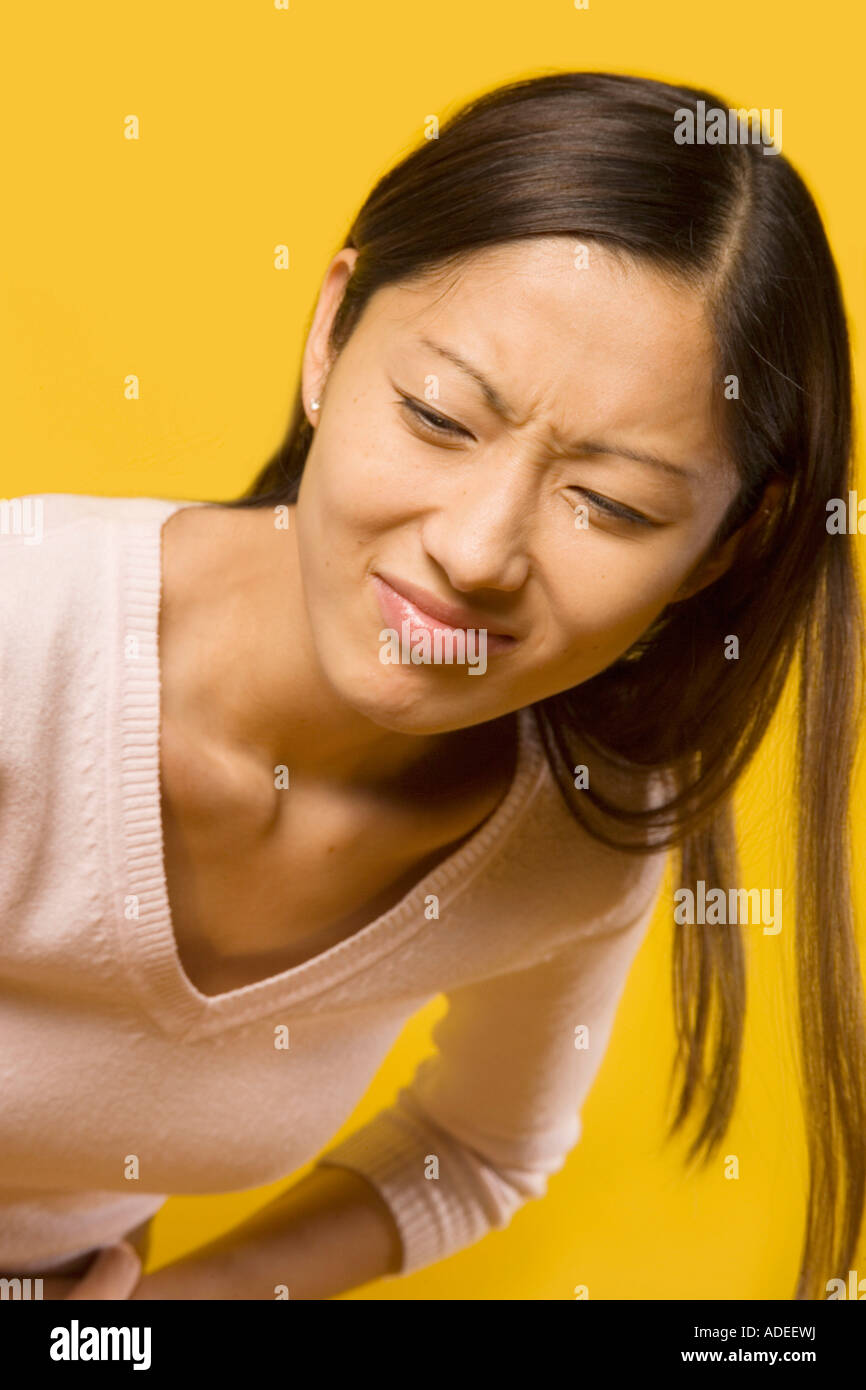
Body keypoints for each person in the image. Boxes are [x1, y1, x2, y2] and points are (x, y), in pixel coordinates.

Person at [1, 70, 862, 1302]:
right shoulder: (21, 633)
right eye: (438, 416)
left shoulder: (570, 844)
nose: (474, 550)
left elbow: (475, 1152)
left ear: (723, 548)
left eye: (609, 505)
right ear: (329, 335)